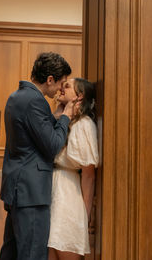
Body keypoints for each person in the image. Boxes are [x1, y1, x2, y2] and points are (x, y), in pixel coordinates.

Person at [0, 52, 76, 260]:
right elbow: (52, 146)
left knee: (12, 252)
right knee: (32, 254)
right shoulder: (35, 100)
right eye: (61, 83)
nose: (61, 89)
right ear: (49, 80)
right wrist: (66, 117)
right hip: (30, 193)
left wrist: (55, 118)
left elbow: (32, 134)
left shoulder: (17, 96)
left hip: (17, 187)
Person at [48, 78, 99, 260]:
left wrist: (84, 216)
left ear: (80, 96)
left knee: (65, 246)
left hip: (69, 196)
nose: (62, 88)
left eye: (67, 86)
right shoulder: (63, 119)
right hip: (53, 191)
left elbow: (88, 175)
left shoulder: (84, 125)